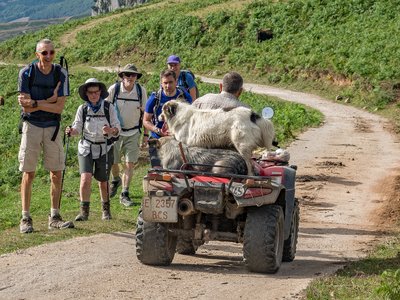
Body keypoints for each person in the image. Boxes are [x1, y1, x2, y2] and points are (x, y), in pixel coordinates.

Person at [17, 38, 74, 233]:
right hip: (31, 125)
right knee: (28, 173)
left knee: (56, 173)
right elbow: (24, 105)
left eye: (51, 52)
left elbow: (59, 108)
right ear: (37, 55)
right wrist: (48, 100)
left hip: (52, 127)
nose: (48, 56)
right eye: (44, 53)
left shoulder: (61, 73)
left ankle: (55, 216)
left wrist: (36, 102)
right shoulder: (26, 73)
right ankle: (25, 218)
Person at [66, 78, 121, 221]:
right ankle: (84, 212)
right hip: (86, 147)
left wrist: (110, 130)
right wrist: (71, 131)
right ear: (86, 94)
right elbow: (77, 127)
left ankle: (106, 210)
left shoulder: (109, 107)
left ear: (101, 93)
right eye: (90, 92)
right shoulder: (83, 109)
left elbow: (117, 128)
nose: (93, 95)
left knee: (103, 181)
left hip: (105, 147)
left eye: (96, 92)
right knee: (85, 178)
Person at [106, 64, 148, 207]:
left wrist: (146, 135)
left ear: (136, 77)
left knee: (129, 164)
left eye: (133, 75)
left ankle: (124, 193)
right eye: (127, 75)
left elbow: (145, 115)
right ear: (122, 76)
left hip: (134, 132)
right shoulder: (114, 89)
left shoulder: (141, 91)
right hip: (116, 132)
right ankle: (116, 179)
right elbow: (105, 109)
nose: (130, 77)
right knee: (113, 161)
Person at [143, 69, 192, 166]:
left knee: (178, 171)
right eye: (165, 83)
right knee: (157, 170)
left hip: (178, 139)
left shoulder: (185, 97)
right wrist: (157, 130)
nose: (168, 86)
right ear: (161, 83)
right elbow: (146, 120)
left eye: (170, 82)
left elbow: (191, 118)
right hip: (157, 139)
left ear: (176, 82)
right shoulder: (155, 98)